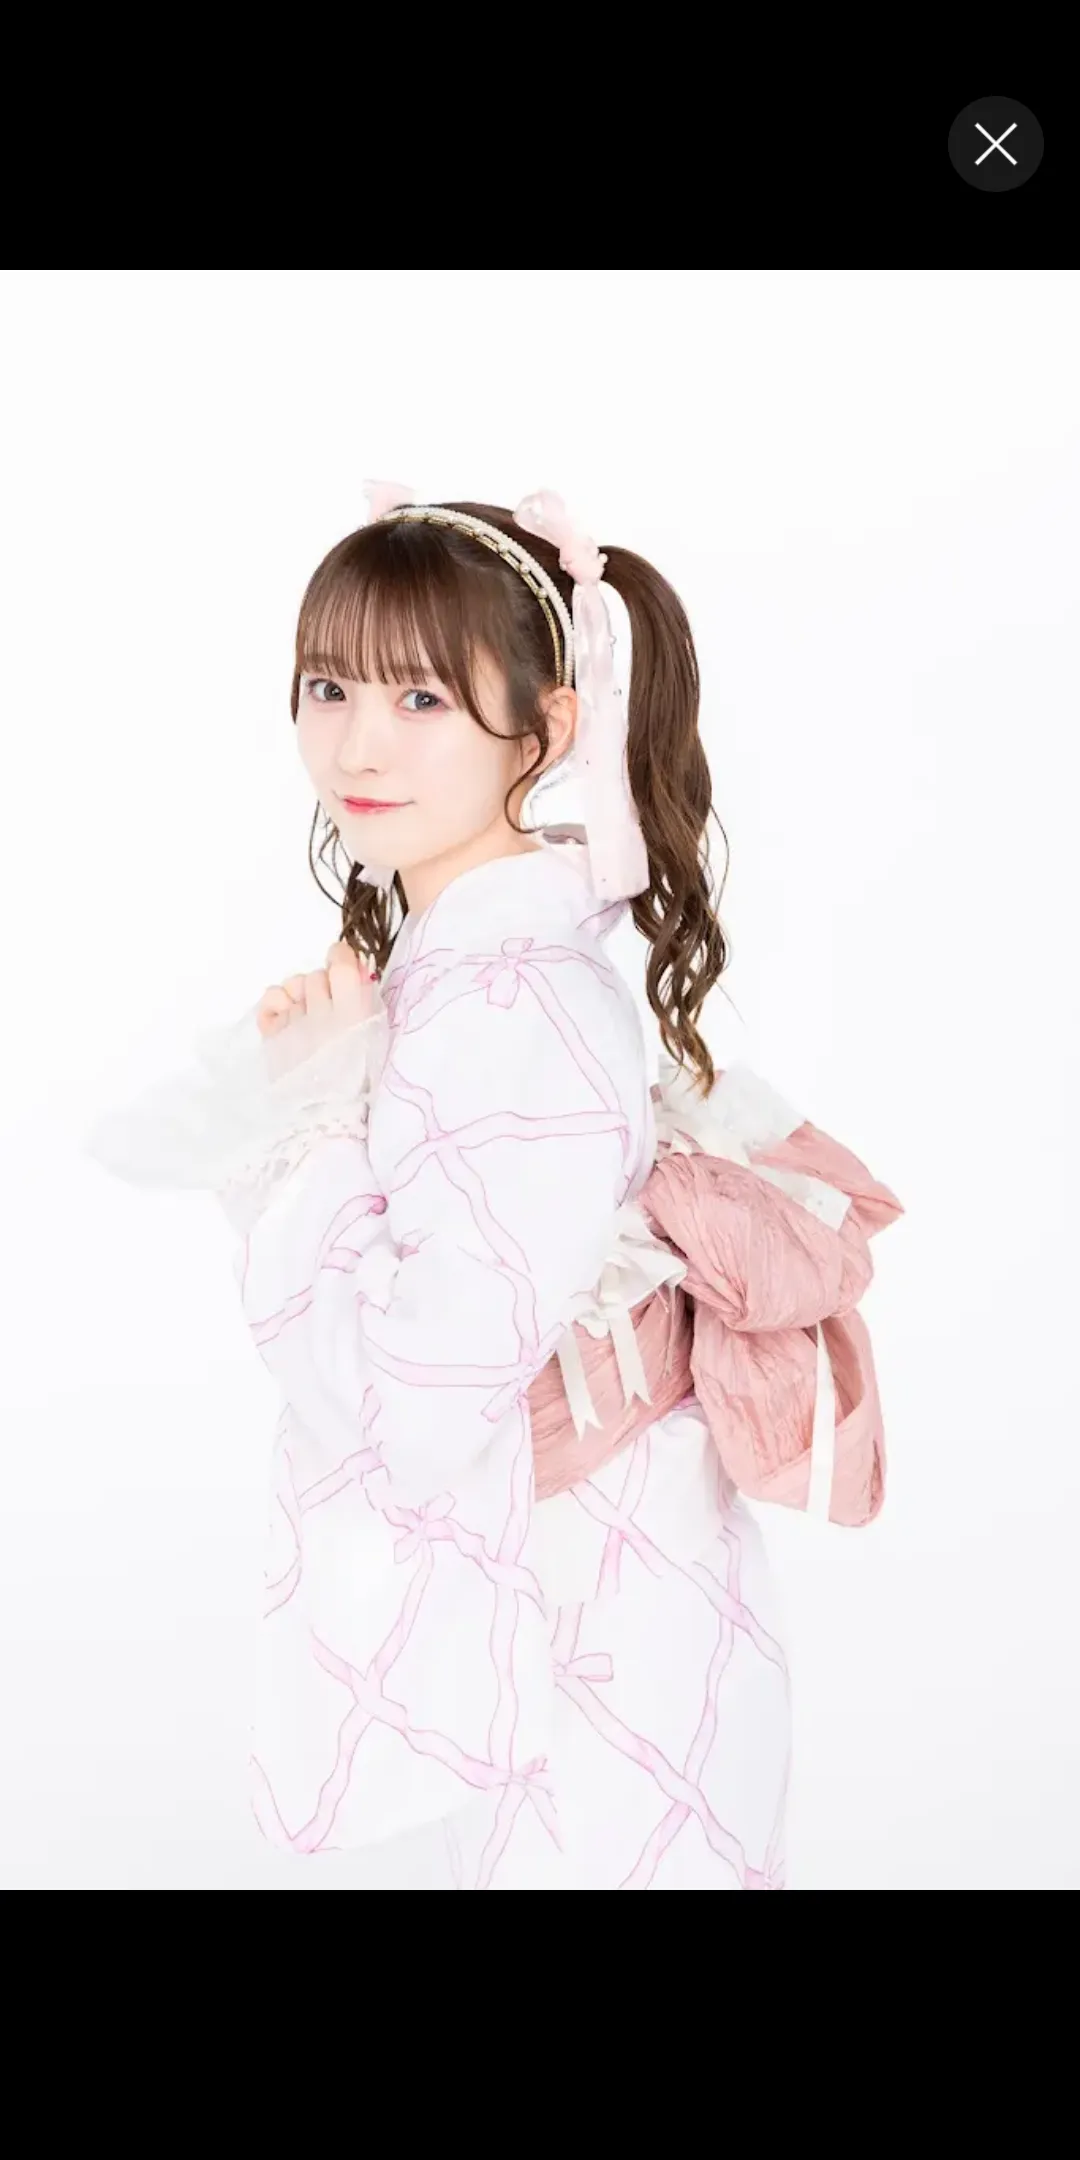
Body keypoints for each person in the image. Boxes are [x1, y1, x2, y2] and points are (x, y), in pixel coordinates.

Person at [86, 483, 902, 1890]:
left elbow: (415, 1404)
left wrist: (316, 1129)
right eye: (329, 686)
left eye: (422, 699)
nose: (357, 744)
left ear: (547, 726)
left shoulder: (513, 998)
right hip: (590, 1605)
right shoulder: (476, 965)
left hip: (600, 1643)